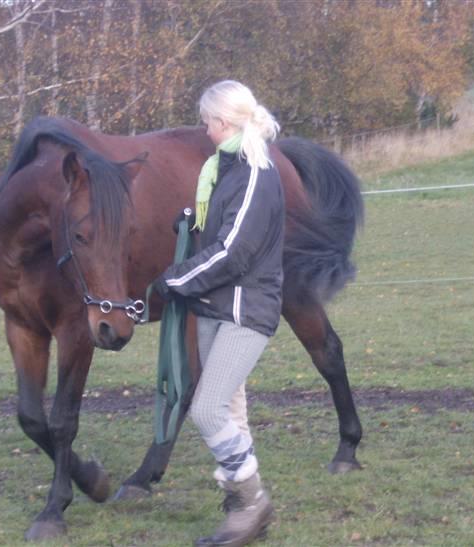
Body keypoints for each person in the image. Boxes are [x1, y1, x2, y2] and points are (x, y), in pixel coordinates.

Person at [153, 80, 284, 546]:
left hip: (246, 311)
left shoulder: (254, 174)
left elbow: (234, 252)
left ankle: (252, 501)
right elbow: (218, 236)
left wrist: (175, 280)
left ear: (224, 122)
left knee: (207, 409)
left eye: (207, 121)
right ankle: (243, 512)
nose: (204, 129)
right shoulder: (222, 171)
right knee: (230, 410)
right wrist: (191, 227)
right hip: (215, 307)